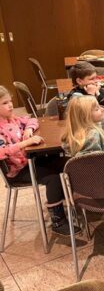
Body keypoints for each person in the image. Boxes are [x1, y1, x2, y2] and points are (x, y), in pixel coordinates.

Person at [0, 86, 78, 236]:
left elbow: (33, 119)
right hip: (18, 171)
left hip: (30, 161)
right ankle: (58, 220)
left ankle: (65, 198)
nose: (10, 105)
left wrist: (28, 129)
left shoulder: (12, 119)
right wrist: (25, 143)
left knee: (63, 161)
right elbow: (2, 152)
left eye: (10, 101)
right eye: (4, 103)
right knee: (53, 178)